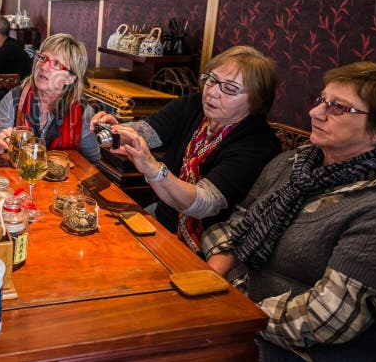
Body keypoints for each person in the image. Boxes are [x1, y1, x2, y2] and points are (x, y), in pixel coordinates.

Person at [202, 62, 376, 362]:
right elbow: (234, 225)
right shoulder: (293, 163)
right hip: (234, 307)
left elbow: (325, 318)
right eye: (321, 100)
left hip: (292, 349)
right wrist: (215, 274)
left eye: (339, 108)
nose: (315, 113)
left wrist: (231, 313)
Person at [91, 45, 281, 253]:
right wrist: (115, 130)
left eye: (229, 88)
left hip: (208, 247)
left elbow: (203, 204)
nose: (212, 92)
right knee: (100, 243)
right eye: (212, 80)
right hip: (163, 217)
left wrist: (153, 168)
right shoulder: (193, 106)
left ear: (256, 100)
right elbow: (147, 131)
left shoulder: (258, 144)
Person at [0, 33, 100, 164]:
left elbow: (92, 163)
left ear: (70, 78)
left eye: (56, 64)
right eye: (42, 58)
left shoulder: (83, 112)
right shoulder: (14, 99)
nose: (44, 67)